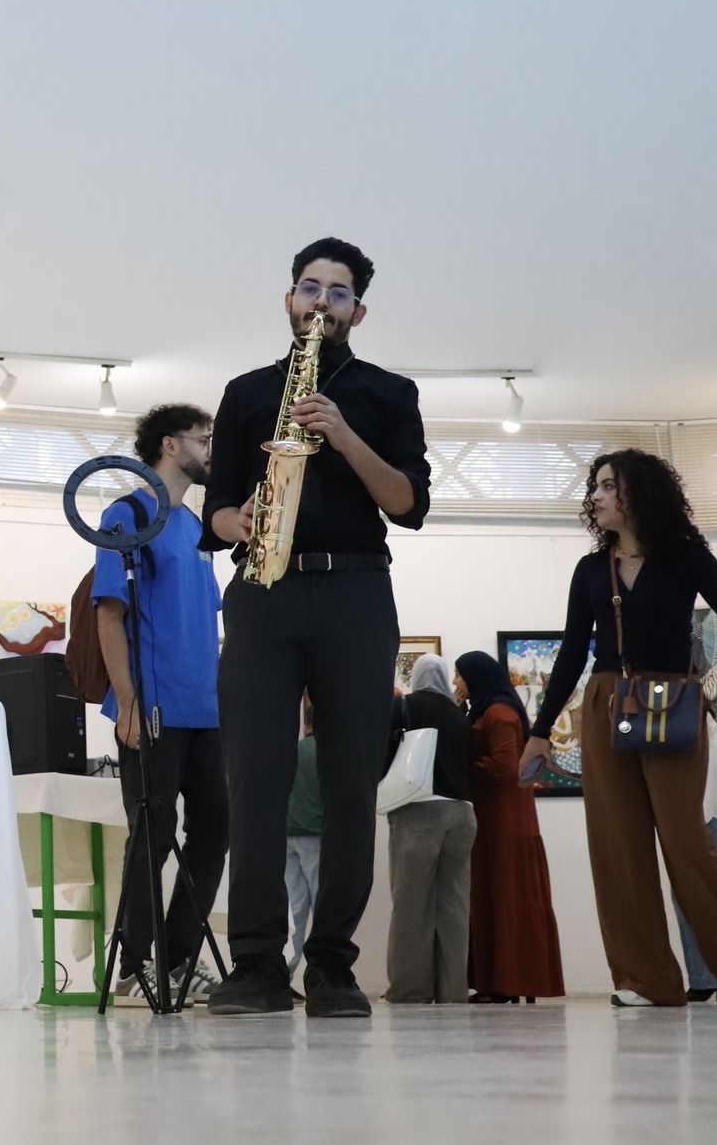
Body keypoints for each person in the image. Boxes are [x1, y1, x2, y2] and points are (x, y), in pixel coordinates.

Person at [200, 238, 432, 1018]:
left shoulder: (389, 393)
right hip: (263, 587)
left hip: (356, 591)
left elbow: (407, 503)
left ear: (357, 311)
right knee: (253, 780)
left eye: (337, 292)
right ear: (289, 301)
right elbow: (215, 508)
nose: (321, 301)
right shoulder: (245, 392)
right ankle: (257, 963)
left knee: (349, 784)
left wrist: (342, 431)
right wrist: (236, 520)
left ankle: (332, 963)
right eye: (309, 287)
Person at [518, 450, 717, 1008]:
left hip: (672, 702)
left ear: (638, 492)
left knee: (688, 841)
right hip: (606, 701)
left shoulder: (686, 556)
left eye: (607, 486)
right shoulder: (591, 569)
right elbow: (572, 652)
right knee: (617, 847)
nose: (595, 497)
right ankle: (645, 979)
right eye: (594, 487)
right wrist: (541, 729)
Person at [93, 404, 225, 1005]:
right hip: (154, 706)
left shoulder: (198, 527)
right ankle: (132, 964)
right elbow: (109, 613)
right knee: (152, 830)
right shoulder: (128, 514)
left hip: (207, 709)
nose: (212, 450)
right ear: (170, 445)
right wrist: (127, 700)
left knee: (216, 829)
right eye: (204, 439)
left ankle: (177, 961)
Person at [453, 651, 563, 1003]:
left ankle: (507, 984)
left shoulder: (498, 714)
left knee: (503, 898)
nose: (456, 682)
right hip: (497, 817)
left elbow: (504, 767)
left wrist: (458, 764)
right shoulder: (488, 711)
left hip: (503, 820)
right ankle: (499, 984)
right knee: (495, 898)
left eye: (459, 676)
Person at [383, 655, 476, 1004]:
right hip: (463, 815)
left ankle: (410, 991)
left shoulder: (404, 706)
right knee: (454, 906)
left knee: (411, 905)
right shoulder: (460, 714)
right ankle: (453, 990)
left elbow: (383, 751)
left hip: (419, 812)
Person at [672, 723, 717, 1002]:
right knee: (690, 889)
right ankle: (706, 977)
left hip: (701, 805)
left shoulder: (695, 715)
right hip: (703, 803)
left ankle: (706, 977)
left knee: (691, 889)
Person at [284, 696, 322, 985]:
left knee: (294, 909)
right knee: (322, 905)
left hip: (287, 835)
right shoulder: (329, 754)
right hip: (316, 835)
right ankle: (320, 973)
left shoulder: (292, 751)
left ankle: (284, 970)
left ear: (305, 724)